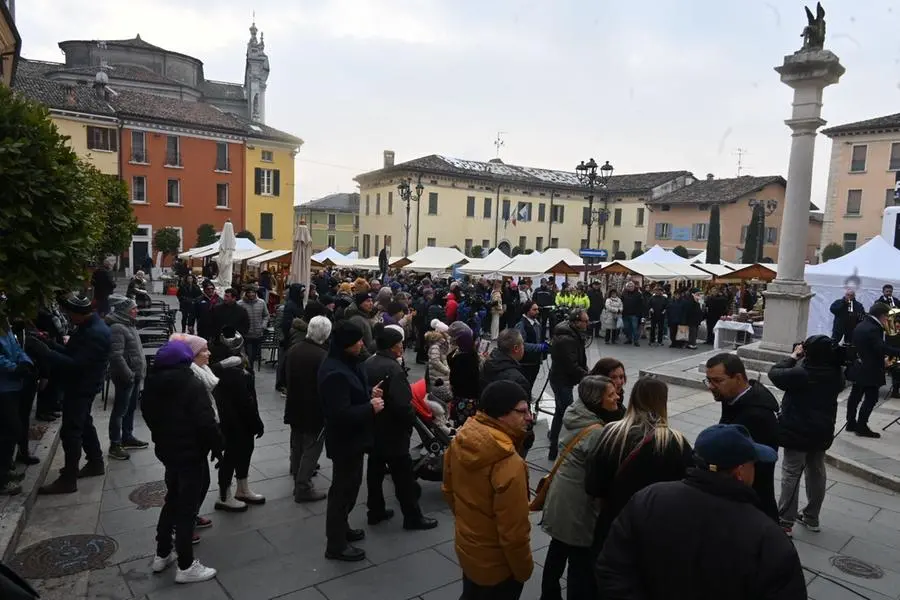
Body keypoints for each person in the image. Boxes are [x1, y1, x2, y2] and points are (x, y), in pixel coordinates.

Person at [596, 423, 806, 600]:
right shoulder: (767, 537)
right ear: (740, 471)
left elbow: (612, 570)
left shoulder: (648, 498)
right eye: (753, 463)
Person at [442, 380, 534, 600]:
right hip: (498, 566)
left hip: (469, 549)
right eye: (522, 411)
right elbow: (514, 534)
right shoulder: (508, 463)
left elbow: (448, 490)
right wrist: (523, 570)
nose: (529, 417)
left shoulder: (461, 439)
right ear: (500, 415)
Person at [141, 340, 222, 584]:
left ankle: (162, 552)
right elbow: (206, 422)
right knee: (186, 508)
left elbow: (147, 414)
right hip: (190, 453)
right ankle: (186, 565)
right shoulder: (191, 384)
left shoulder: (152, 383)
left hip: (167, 450)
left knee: (172, 499)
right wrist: (218, 447)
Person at [584, 378, 693, 554]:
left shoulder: (611, 433)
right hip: (656, 528)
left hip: (614, 521)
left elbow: (593, 485)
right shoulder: (675, 442)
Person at [540, 375, 624, 600]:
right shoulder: (597, 431)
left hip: (562, 494)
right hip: (578, 503)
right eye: (611, 393)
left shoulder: (575, 413)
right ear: (597, 400)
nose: (617, 396)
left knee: (558, 549)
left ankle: (549, 595)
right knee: (580, 561)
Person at [319, 320, 384, 562]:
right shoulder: (334, 371)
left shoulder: (349, 363)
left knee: (352, 485)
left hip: (355, 439)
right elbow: (339, 414)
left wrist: (369, 392)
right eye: (357, 341)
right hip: (344, 440)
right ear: (345, 344)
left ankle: (342, 529)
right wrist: (370, 407)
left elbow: (354, 390)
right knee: (342, 490)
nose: (361, 343)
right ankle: (335, 544)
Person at [35, 293, 111, 495]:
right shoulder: (88, 327)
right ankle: (95, 462)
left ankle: (68, 479)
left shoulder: (94, 332)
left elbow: (76, 365)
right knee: (84, 423)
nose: (69, 318)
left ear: (79, 314)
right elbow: (74, 353)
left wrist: (47, 353)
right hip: (82, 385)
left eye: (70, 314)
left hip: (81, 386)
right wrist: (51, 344)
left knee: (72, 431)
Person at [364, 324, 438, 531]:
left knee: (375, 470)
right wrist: (410, 421)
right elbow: (402, 405)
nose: (402, 348)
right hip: (393, 431)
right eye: (400, 345)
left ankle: (375, 510)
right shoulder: (393, 369)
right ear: (394, 347)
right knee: (403, 476)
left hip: (374, 426)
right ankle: (412, 516)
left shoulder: (369, 362)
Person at [769, 335, 844, 535]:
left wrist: (794, 356)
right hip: (822, 430)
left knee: (792, 473)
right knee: (817, 471)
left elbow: (775, 373)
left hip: (797, 429)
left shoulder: (802, 372)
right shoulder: (836, 372)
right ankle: (812, 517)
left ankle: (785, 520)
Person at [704, 353, 779, 520]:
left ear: (738, 378)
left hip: (751, 505)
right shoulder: (731, 398)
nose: (711, 386)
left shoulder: (757, 415)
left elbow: (755, 469)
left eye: (717, 381)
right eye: (709, 380)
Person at [207, 329, 266, 509]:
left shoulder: (233, 367)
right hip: (234, 420)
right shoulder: (230, 371)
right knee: (231, 457)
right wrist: (256, 421)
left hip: (239, 419)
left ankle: (242, 488)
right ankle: (224, 495)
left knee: (244, 452)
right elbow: (244, 401)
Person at [284, 316, 331, 503]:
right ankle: (303, 486)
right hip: (314, 409)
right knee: (312, 447)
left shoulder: (294, 349)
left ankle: (297, 476)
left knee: (297, 444)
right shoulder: (322, 356)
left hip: (295, 404)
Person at [846, 302, 900, 438]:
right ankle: (862, 426)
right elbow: (880, 347)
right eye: (887, 316)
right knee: (871, 398)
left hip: (859, 366)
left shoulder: (862, 324)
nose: (888, 320)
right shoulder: (874, 328)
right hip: (870, 370)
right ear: (882, 315)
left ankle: (851, 422)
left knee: (855, 396)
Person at [105, 296, 149, 461]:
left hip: (135, 375)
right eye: (133, 308)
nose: (136, 311)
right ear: (124, 310)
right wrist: (129, 374)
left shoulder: (129, 324)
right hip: (125, 376)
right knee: (120, 411)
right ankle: (115, 444)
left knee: (130, 408)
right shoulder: (117, 327)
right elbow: (116, 355)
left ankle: (127, 436)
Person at [0, 312, 36, 496]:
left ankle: (6, 469)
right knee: (10, 429)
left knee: (14, 427)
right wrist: (13, 368)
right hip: (4, 386)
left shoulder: (5, 324)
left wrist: (25, 362)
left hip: (14, 385)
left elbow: (16, 347)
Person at [547, 309, 589, 461]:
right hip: (561, 381)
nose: (587, 324)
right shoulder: (567, 338)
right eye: (585, 321)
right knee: (568, 415)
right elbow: (571, 364)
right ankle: (560, 447)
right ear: (576, 322)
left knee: (560, 412)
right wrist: (587, 375)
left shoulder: (571, 333)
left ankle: (553, 444)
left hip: (563, 379)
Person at [515, 301, 546, 390]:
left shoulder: (537, 323)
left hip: (535, 362)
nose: (537, 312)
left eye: (537, 309)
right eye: (534, 310)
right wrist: (539, 347)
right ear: (527, 311)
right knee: (524, 386)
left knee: (530, 385)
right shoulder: (521, 325)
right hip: (525, 363)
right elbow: (521, 344)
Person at [237, 285, 268, 372]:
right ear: (246, 293)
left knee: (254, 355)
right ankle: (249, 370)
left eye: (253, 292)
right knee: (248, 355)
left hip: (258, 334)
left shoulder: (261, 302)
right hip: (246, 335)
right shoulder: (240, 304)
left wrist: (263, 325)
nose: (251, 294)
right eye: (249, 292)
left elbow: (266, 315)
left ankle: (250, 370)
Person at [620, 281, 644, 346]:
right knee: (627, 328)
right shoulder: (624, 294)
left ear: (634, 287)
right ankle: (629, 339)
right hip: (625, 314)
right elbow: (620, 303)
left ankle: (636, 341)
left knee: (635, 328)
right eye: (628, 286)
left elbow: (641, 305)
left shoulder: (638, 294)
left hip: (635, 314)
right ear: (626, 287)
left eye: (631, 286)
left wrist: (640, 314)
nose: (630, 287)